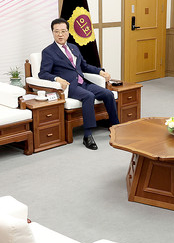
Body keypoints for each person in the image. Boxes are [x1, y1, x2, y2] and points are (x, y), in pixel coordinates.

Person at [38, 18, 118, 150]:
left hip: (83, 82)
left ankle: (115, 127)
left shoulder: (74, 47)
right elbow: (43, 73)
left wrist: (100, 71)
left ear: (68, 32)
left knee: (108, 93)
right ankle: (87, 135)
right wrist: (57, 79)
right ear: (52, 33)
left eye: (63, 31)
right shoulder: (48, 52)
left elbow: (84, 66)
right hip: (70, 87)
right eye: (57, 31)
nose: (60, 34)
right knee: (88, 96)